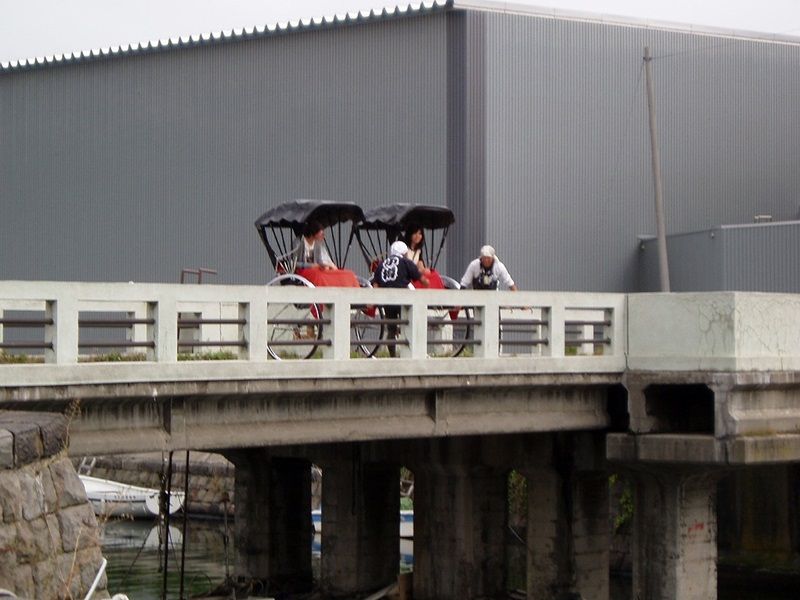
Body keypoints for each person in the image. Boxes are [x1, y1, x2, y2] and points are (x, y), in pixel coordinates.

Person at [372, 240, 429, 355]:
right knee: (410, 324)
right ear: (404, 253)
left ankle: (392, 357)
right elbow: (422, 280)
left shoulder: (382, 265)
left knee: (391, 329)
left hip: (387, 301)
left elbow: (375, 284)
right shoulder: (405, 262)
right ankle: (412, 353)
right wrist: (427, 284)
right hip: (403, 300)